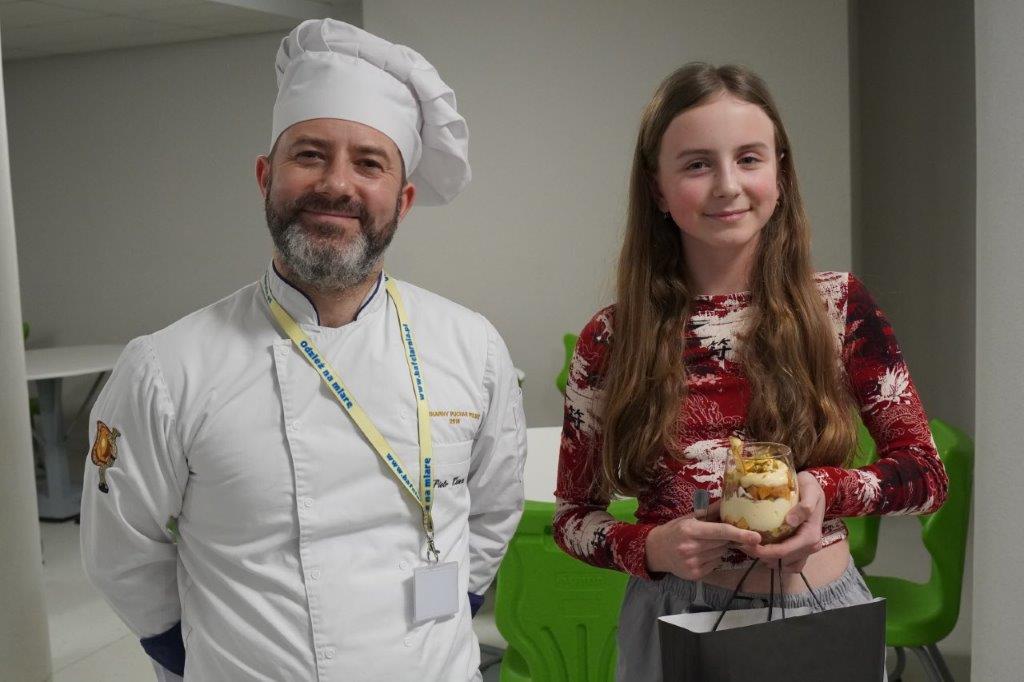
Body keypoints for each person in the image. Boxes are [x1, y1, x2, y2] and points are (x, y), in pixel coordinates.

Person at [80, 18, 526, 682]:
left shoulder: (472, 347)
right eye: (310, 154)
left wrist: (453, 609)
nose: (337, 185)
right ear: (265, 176)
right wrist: (198, 656)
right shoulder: (166, 368)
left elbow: (493, 508)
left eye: (369, 163)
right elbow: (122, 550)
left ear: (403, 200)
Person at [553, 63, 948, 681]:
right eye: (696, 164)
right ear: (657, 188)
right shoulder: (612, 337)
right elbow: (573, 515)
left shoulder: (839, 308)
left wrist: (824, 490)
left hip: (820, 611)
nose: (727, 185)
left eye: (749, 159)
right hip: (674, 620)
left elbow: (926, 474)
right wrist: (648, 546)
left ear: (780, 174)